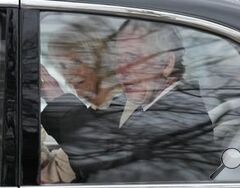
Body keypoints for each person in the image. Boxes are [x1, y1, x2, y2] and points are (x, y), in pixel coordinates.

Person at [41, 19, 220, 183]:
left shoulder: (180, 115)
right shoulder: (143, 106)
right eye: (119, 60)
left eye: (133, 58)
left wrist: (56, 97)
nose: (122, 70)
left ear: (166, 65)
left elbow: (107, 159)